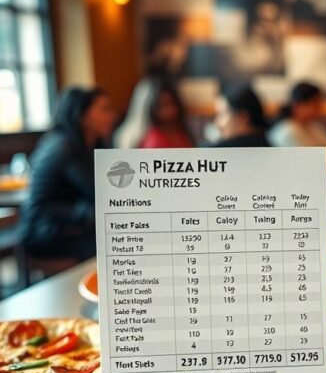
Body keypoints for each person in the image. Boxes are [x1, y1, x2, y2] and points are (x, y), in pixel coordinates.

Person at [19, 87, 116, 260]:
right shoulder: (64, 147)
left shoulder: (89, 145)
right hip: (48, 234)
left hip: (67, 228)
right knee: (121, 245)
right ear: (82, 115)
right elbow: (97, 193)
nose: (112, 116)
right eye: (104, 110)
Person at [114, 77, 195, 149]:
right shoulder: (153, 140)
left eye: (171, 103)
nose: (167, 111)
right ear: (151, 108)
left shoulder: (182, 133)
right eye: (160, 106)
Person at [212, 83, 270, 148]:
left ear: (242, 117)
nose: (217, 123)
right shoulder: (269, 146)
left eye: (221, 114)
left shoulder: (219, 151)